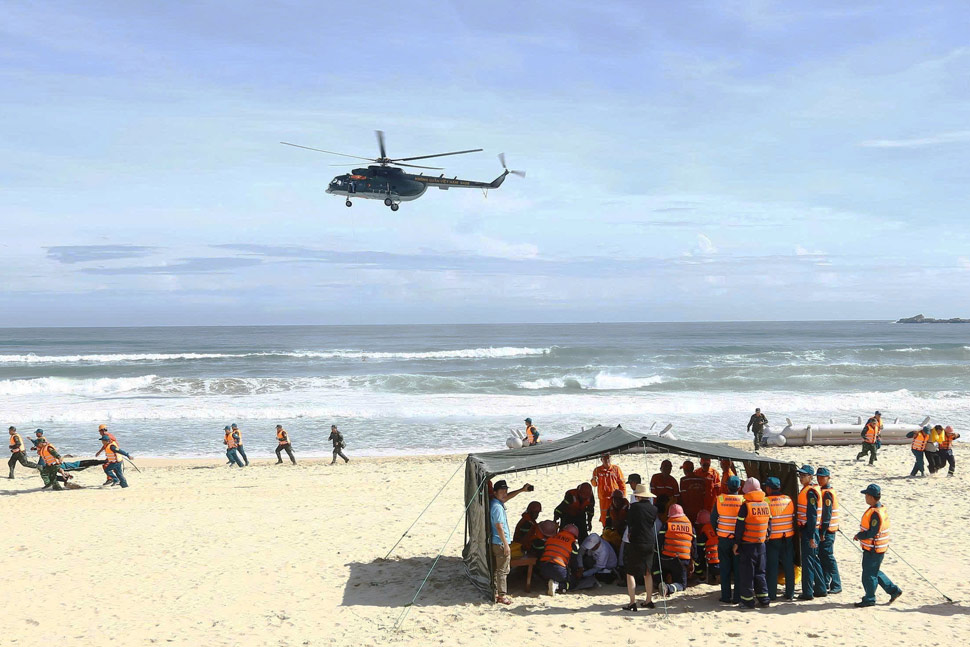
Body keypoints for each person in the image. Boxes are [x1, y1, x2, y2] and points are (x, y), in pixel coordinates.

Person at [852, 484, 903, 607]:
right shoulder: (881, 508)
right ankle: (893, 590)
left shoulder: (875, 513)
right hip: (879, 548)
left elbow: (872, 532)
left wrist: (859, 535)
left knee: (868, 575)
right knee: (874, 571)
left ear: (870, 496)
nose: (865, 497)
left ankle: (869, 598)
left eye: (866, 495)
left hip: (874, 549)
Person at [490, 480, 531, 603]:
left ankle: (496, 592)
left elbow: (507, 497)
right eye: (501, 491)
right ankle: (502, 596)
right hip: (500, 542)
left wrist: (521, 490)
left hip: (497, 542)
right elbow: (499, 527)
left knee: (497, 569)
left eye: (505, 491)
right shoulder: (497, 507)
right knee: (503, 570)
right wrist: (506, 545)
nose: (504, 494)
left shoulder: (495, 502)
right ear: (495, 492)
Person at [732, 478, 771, 608]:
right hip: (761, 544)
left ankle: (748, 602)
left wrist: (736, 543)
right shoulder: (765, 504)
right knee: (761, 573)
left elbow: (740, 526)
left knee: (747, 575)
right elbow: (769, 524)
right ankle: (764, 599)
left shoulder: (746, 506)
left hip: (748, 545)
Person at [622, 483, 658, 611]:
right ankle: (648, 600)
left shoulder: (634, 508)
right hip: (649, 541)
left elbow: (630, 524)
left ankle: (632, 602)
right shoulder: (654, 509)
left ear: (638, 496)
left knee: (630, 572)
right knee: (648, 572)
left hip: (636, 541)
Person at [795, 465, 827, 600]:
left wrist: (811, 536)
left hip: (810, 530)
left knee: (808, 561)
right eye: (800, 475)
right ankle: (821, 588)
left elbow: (812, 515)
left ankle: (808, 592)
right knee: (814, 560)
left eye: (804, 475)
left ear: (810, 476)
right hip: (810, 530)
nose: (801, 478)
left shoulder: (810, 492)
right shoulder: (808, 490)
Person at [711, 475, 743, 603]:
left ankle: (725, 596)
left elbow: (713, 519)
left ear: (726, 487)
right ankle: (737, 597)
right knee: (738, 569)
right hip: (738, 540)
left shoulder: (720, 499)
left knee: (724, 568)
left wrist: (718, 531)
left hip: (724, 538)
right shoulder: (743, 500)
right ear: (739, 487)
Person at [539, 524, 597, 595]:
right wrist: (576, 574)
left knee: (549, 576)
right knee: (573, 582)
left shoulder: (552, 537)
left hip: (543, 568)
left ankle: (549, 582)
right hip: (558, 570)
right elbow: (573, 563)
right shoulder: (572, 544)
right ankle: (557, 586)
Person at [765, 477, 796, 601]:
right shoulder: (788, 500)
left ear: (769, 488)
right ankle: (790, 593)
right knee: (789, 566)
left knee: (772, 567)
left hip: (772, 539)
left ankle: (772, 594)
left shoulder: (766, 501)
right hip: (787, 537)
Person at [659, 503, 695, 596]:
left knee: (666, 569)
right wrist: (694, 561)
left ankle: (661, 580)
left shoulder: (667, 524)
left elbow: (659, 541)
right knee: (682, 585)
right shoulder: (690, 525)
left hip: (666, 558)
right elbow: (694, 545)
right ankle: (669, 588)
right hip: (682, 560)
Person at [816, 467, 842, 594]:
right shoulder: (824, 490)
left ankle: (836, 583)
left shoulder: (827, 493)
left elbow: (826, 514)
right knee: (823, 556)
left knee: (828, 557)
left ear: (828, 478)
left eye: (822, 477)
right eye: (818, 477)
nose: (819, 479)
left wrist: (823, 532)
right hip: (828, 529)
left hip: (828, 530)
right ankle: (825, 581)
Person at [591, 453, 626, 527]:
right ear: (601, 460)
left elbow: (622, 484)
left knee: (616, 516)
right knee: (604, 517)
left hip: (615, 499)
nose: (607, 460)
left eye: (608, 458)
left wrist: (623, 497)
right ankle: (605, 529)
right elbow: (594, 484)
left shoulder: (616, 469)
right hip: (603, 499)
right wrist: (594, 480)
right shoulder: (597, 470)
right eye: (605, 458)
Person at [694, 509, 719, 583]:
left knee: (698, 557)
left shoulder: (704, 533)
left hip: (713, 565)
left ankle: (704, 577)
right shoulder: (718, 527)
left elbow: (699, 552)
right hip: (725, 563)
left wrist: (699, 572)